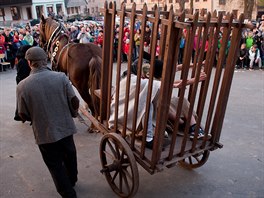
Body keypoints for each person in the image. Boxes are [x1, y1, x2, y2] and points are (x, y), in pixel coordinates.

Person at [109, 52, 209, 150]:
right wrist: (193, 80)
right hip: (150, 106)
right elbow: (172, 85)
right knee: (160, 105)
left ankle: (194, 128)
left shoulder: (153, 72)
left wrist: (197, 65)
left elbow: (178, 68)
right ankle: (157, 133)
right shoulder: (140, 81)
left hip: (160, 101)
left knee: (181, 101)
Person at [16, 46, 79, 198]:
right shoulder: (61, 77)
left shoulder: (22, 86)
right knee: (70, 154)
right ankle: (72, 179)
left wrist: (36, 117)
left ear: (29, 63)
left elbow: (22, 114)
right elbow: (74, 101)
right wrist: (72, 114)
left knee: (55, 164)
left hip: (44, 133)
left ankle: (68, 193)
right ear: (45, 60)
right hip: (65, 127)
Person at [14, 45, 32, 121]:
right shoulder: (23, 61)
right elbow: (23, 74)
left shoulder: (21, 60)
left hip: (22, 81)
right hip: (23, 81)